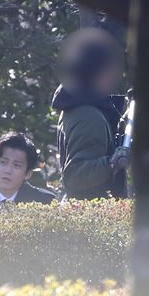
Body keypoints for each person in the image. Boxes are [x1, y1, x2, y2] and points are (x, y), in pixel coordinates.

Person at [52, 27, 129, 200]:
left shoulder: (82, 105)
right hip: (90, 215)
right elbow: (75, 176)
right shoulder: (87, 114)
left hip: (90, 213)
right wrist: (113, 162)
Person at [0, 132, 56, 206]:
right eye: (3, 162)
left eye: (16, 165)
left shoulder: (45, 202)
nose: (8, 170)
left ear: (28, 173)